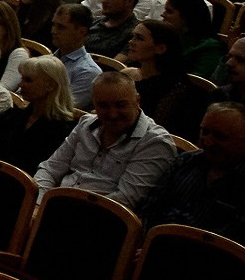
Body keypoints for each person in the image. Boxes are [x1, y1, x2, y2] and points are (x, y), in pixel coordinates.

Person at [33, 70, 179, 208]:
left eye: (120, 105)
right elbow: (50, 169)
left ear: (137, 101)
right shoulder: (86, 124)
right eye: (103, 106)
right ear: (94, 105)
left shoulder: (155, 143)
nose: (113, 114)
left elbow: (125, 201)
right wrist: (38, 203)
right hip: (54, 206)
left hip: (102, 221)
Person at [141, 102, 245, 243]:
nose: (208, 141)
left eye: (220, 136)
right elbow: (150, 207)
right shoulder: (186, 161)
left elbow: (235, 241)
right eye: (205, 132)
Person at [0, 55, 78, 171]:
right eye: (22, 79)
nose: (20, 85)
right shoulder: (9, 116)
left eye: (28, 80)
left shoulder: (64, 130)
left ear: (50, 85)